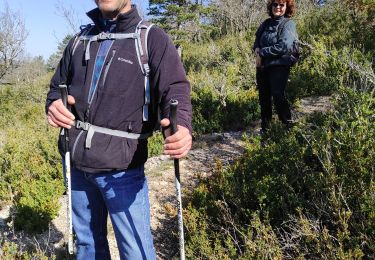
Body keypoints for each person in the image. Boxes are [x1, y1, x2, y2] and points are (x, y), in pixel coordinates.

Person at [45, 0, 192, 259]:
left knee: (135, 251)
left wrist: (181, 129)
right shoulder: (80, 40)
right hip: (78, 166)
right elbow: (57, 86)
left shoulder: (151, 39)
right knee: (88, 248)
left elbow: (175, 89)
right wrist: (54, 103)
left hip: (123, 171)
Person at [253, 0, 298, 132]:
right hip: (262, 67)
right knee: (264, 99)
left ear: (286, 7)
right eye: (275, 4)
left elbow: (283, 46)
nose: (278, 7)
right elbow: (257, 41)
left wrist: (262, 53)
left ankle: (287, 127)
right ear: (271, 6)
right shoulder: (265, 23)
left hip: (279, 66)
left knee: (278, 95)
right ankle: (266, 130)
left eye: (281, 5)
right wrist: (256, 49)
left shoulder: (288, 24)